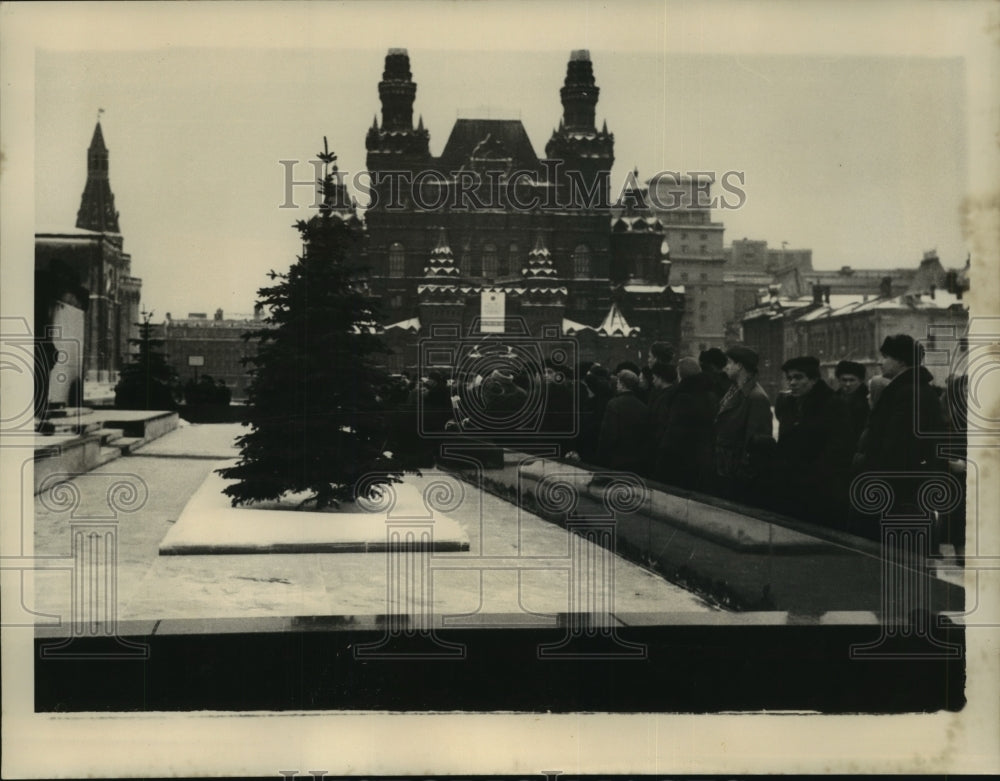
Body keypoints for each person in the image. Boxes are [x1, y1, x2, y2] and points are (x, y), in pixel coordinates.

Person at [852, 334, 947, 536]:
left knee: (894, 551)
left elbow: (897, 445)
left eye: (886, 356)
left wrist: (870, 466)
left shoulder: (906, 392)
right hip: (902, 486)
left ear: (901, 360)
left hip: (896, 489)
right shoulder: (911, 389)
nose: (880, 362)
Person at [773, 356, 852, 526]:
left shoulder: (833, 405)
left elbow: (838, 449)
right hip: (790, 486)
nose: (792, 383)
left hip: (820, 489)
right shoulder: (788, 405)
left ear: (814, 379)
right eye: (789, 378)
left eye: (798, 377)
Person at [712, 345, 774, 503]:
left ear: (739, 366)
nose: (726, 367)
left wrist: (742, 476)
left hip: (736, 477)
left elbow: (755, 445)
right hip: (724, 469)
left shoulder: (756, 398)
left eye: (729, 362)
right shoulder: (735, 390)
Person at [654, 357, 718, 490]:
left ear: (680, 375)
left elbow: (673, 433)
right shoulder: (711, 396)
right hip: (703, 458)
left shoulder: (681, 398)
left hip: (681, 459)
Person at [596, 369, 649, 473]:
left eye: (618, 382)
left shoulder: (613, 404)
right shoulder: (643, 407)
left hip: (616, 461)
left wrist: (600, 460)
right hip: (637, 462)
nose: (616, 385)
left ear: (622, 384)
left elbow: (608, 435)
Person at [834, 360, 870, 451]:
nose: (847, 384)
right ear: (838, 380)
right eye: (844, 380)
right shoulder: (832, 399)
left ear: (861, 380)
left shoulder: (868, 400)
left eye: (852, 380)